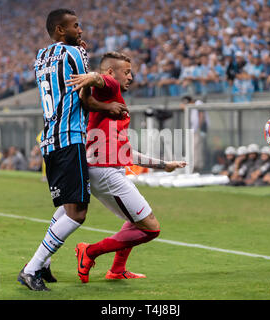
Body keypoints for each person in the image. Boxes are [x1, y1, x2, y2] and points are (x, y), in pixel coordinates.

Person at [17, 9, 128, 291]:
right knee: (78, 212)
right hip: (70, 138)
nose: (81, 31)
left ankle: (42, 264)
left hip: (50, 139)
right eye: (75, 26)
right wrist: (110, 107)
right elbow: (86, 100)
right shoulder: (75, 54)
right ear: (59, 30)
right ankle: (31, 268)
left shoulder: (41, 57)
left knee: (68, 206)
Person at [65, 51, 186, 282]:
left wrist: (164, 165)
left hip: (108, 168)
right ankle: (89, 251)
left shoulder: (111, 105)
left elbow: (126, 152)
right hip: (105, 171)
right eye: (127, 72)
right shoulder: (111, 88)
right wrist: (91, 76)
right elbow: (101, 79)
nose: (131, 77)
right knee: (150, 228)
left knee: (134, 220)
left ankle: (117, 270)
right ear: (111, 72)